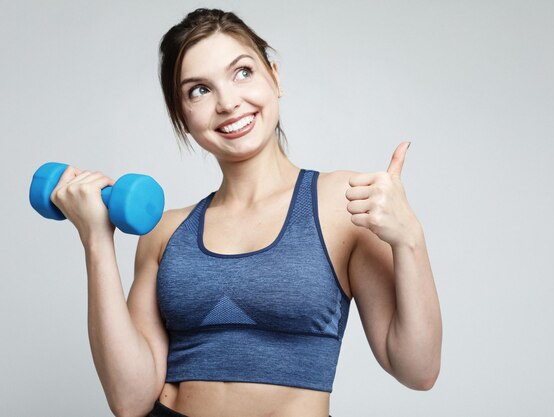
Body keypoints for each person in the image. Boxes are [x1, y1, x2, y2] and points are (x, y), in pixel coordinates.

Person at [50, 8, 442, 417]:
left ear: (275, 76)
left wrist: (409, 238)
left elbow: (417, 370)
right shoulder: (164, 232)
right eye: (198, 90)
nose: (228, 102)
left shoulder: (345, 202)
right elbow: (129, 401)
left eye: (242, 72)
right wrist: (96, 240)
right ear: (182, 117)